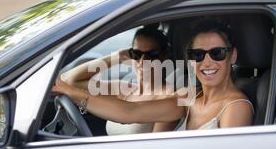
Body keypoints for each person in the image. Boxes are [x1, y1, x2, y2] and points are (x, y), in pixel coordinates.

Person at [53, 20, 254, 132]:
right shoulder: (188, 98)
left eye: (217, 53)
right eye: (198, 54)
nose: (207, 62)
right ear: (190, 60)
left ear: (233, 55)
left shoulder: (236, 107)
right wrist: (67, 89)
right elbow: (130, 111)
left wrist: (69, 90)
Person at [60, 25, 177, 135]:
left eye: (151, 55)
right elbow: (68, 80)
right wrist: (117, 57)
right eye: (136, 54)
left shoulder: (168, 98)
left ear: (164, 56)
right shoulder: (124, 89)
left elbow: (156, 148)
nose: (142, 62)